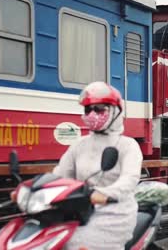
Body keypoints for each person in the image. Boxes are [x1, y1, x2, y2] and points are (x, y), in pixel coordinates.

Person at [53, 82, 143, 250]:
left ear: (116, 111)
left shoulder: (127, 145)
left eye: (100, 109)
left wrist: (104, 194)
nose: (93, 114)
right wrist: (34, 189)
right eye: (88, 110)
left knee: (78, 244)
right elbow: (60, 174)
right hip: (80, 211)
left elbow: (129, 179)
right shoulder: (79, 145)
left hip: (115, 212)